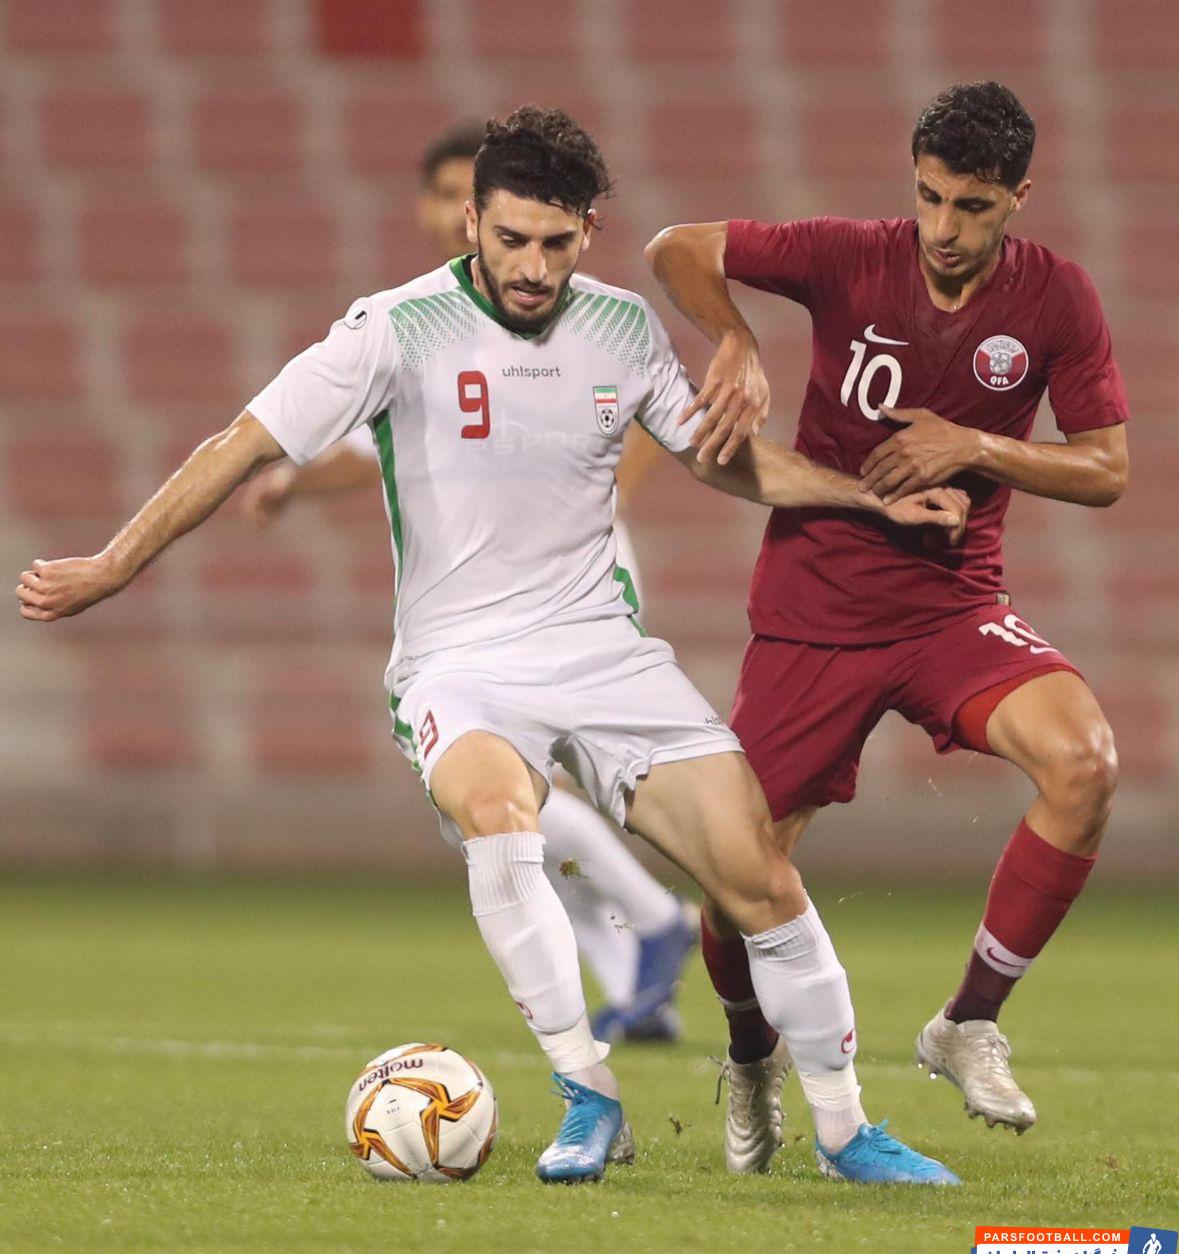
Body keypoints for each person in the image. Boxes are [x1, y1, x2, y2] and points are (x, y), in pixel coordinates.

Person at [17, 106, 969, 1186]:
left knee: (758, 875)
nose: (531, 266)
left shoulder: (621, 329)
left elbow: (724, 460)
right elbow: (242, 442)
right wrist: (115, 563)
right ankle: (588, 1093)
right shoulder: (393, 327)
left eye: (556, 243)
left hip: (600, 649)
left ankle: (844, 1130)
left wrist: (867, 500)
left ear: (589, 231)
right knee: (498, 815)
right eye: (511, 238)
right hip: (460, 662)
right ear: (472, 221)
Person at [645, 80, 1128, 1164]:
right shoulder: (850, 256)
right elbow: (677, 248)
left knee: (1084, 762)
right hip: (814, 608)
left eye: (973, 206)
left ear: (1019, 198)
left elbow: (1107, 470)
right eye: (929, 197)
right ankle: (750, 1056)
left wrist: (977, 444)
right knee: (734, 878)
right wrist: (733, 338)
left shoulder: (1057, 298)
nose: (943, 229)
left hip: (953, 608)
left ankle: (967, 1022)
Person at [240, 122, 690, 1045]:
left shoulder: (568, 315)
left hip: (571, 579)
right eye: (445, 196)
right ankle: (633, 969)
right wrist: (290, 482)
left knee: (513, 793)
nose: (456, 213)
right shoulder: (426, 322)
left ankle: (652, 922)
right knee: (501, 808)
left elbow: (653, 412)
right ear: (436, 210)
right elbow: (369, 443)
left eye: (466, 195)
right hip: (477, 597)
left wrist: (604, 502)